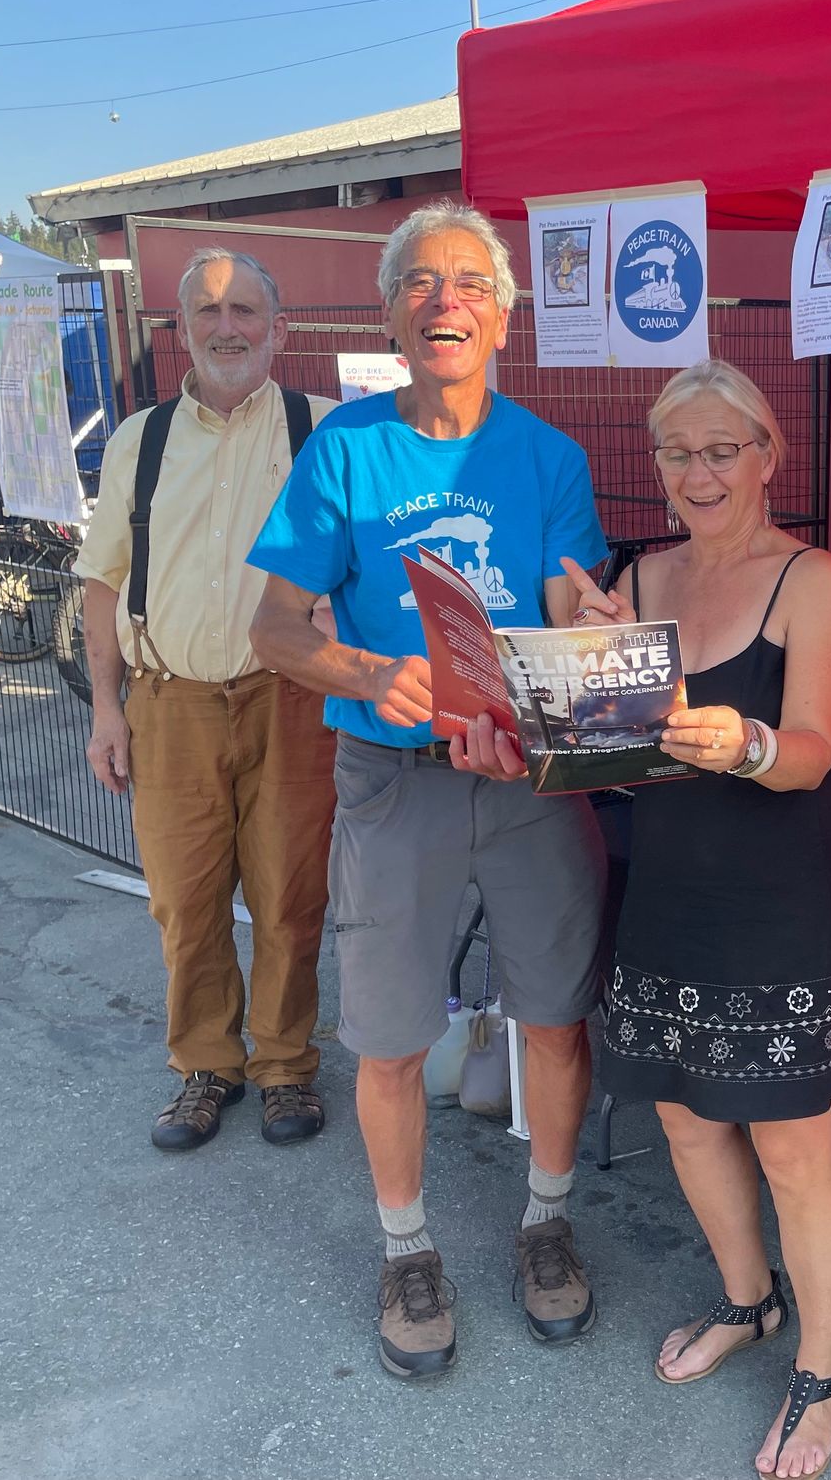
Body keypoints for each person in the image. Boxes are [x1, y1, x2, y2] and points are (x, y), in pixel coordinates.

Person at [246, 202, 610, 1380]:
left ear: (502, 315)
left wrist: (593, 632)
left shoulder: (550, 458)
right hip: (392, 781)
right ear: (391, 315)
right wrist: (364, 670)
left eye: (466, 282)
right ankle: (407, 1248)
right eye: (418, 283)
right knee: (392, 1036)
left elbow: (567, 612)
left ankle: (545, 1222)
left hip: (529, 787)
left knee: (554, 1016)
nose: (442, 299)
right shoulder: (344, 450)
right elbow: (271, 627)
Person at [568, 359, 831, 1480]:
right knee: (689, 1121)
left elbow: (808, 755)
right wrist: (582, 678)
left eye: (719, 449)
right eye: (675, 452)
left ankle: (820, 1367)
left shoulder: (811, 579)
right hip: (669, 889)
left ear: (765, 456)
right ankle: (747, 1302)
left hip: (777, 899)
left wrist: (738, 741)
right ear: (653, 468)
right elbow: (613, 762)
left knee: (795, 1146)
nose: (697, 472)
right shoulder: (638, 579)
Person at [74, 247, 337, 1153]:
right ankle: (205, 1063)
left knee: (290, 893)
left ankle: (286, 1065)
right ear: (179, 329)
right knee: (184, 899)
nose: (229, 328)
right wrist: (106, 709)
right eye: (209, 312)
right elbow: (102, 582)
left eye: (247, 311)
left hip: (294, 699)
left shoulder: (326, 432)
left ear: (280, 327)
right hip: (168, 700)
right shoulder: (136, 442)